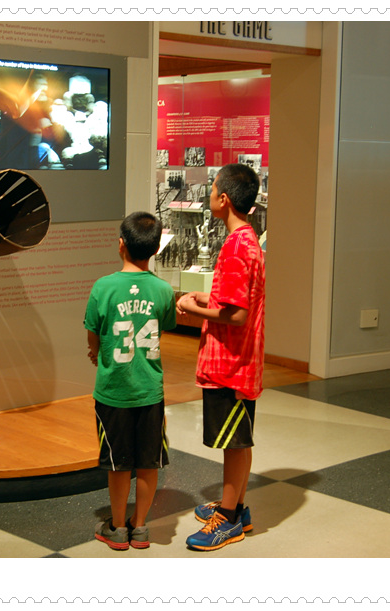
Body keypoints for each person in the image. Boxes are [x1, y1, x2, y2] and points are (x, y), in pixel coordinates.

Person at [176, 163, 264, 551]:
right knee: (239, 439)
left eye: (212, 189)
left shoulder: (236, 246)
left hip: (230, 363)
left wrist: (193, 309)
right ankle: (237, 508)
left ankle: (227, 519)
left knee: (234, 442)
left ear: (224, 198)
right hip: (240, 361)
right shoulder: (247, 240)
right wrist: (207, 298)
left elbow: (237, 315)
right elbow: (233, 301)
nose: (209, 194)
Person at [84, 211, 177, 550]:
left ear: (121, 244)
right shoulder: (163, 290)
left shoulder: (103, 287)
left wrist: (97, 353)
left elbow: (93, 334)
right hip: (150, 392)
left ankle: (118, 527)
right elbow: (163, 328)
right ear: (155, 249)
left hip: (113, 392)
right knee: (148, 463)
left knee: (118, 464)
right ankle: (140, 528)